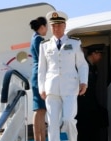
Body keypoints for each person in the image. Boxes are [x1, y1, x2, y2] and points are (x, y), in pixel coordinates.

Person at [38, 10, 89, 141]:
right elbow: (42, 69)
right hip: (51, 88)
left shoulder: (74, 43)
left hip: (70, 88)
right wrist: (41, 88)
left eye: (59, 25)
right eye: (53, 25)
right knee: (52, 123)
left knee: (68, 119)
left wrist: (84, 82)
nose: (56, 28)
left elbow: (82, 65)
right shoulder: (44, 46)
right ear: (50, 27)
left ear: (65, 26)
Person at [76, 44, 107, 141]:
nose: (101, 57)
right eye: (99, 54)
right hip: (82, 105)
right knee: (84, 132)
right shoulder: (83, 66)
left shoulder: (94, 68)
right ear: (93, 54)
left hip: (91, 104)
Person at [29, 16, 48, 141]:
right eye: (46, 26)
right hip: (39, 75)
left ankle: (40, 137)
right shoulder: (39, 40)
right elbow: (44, 58)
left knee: (41, 109)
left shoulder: (34, 38)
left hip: (38, 75)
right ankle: (38, 138)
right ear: (42, 27)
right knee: (39, 109)